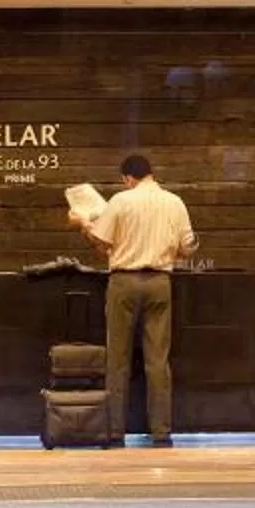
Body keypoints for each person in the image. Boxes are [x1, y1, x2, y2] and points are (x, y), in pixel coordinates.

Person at [65, 153, 195, 447]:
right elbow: (188, 247)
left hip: (123, 281)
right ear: (152, 173)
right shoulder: (174, 202)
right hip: (161, 282)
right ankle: (161, 433)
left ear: (127, 178)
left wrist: (83, 223)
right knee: (158, 361)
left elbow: (102, 242)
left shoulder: (121, 202)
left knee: (118, 360)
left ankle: (114, 432)